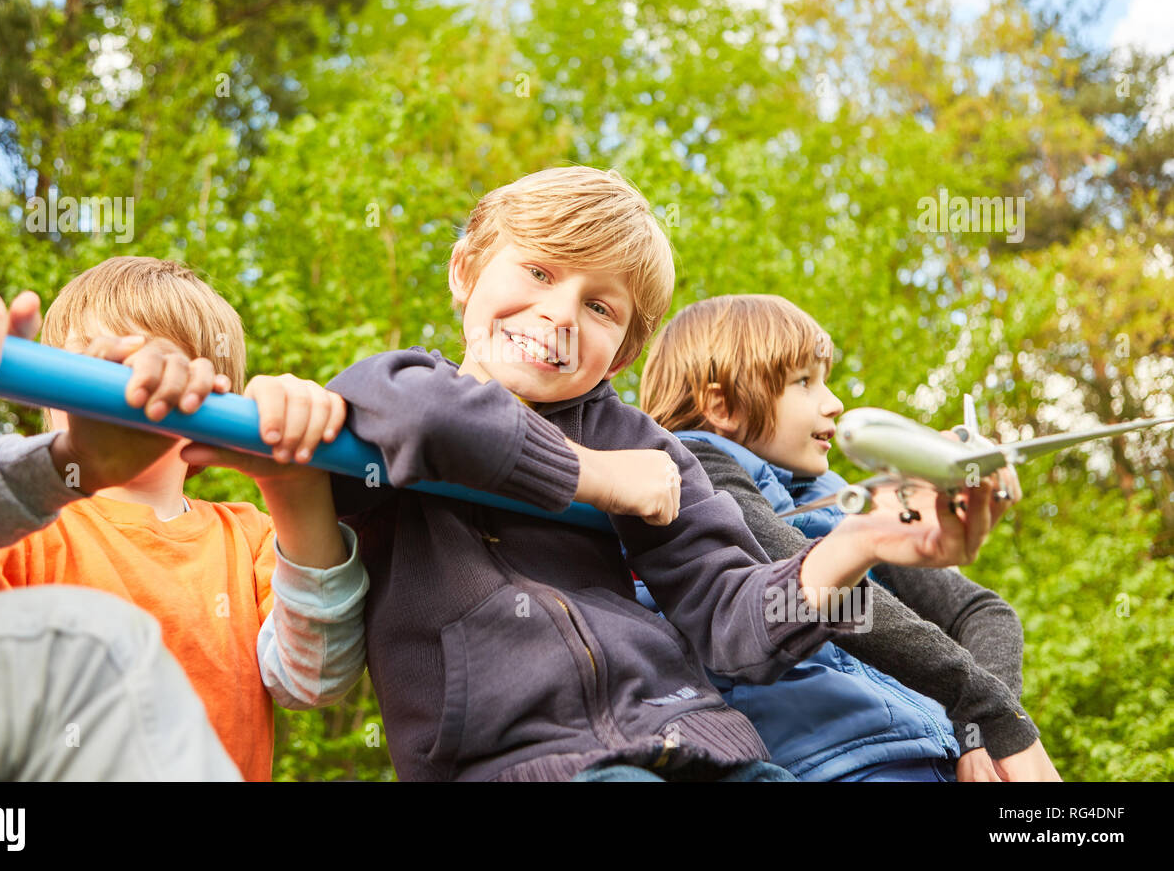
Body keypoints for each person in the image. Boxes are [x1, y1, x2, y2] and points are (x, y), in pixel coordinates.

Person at [321, 166, 1009, 782]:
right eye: (539, 271)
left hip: (709, 744)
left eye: (600, 307)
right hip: (521, 760)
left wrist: (855, 544)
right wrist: (590, 477)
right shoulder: (401, 386)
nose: (560, 315)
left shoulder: (648, 449)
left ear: (621, 355)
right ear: (465, 269)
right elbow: (423, 421)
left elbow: (733, 618)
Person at [0, 260, 367, 782]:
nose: (124, 384)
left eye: (160, 366)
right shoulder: (14, 533)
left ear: (215, 397)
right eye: (95, 364)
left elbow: (313, 679)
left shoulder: (249, 537)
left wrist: (296, 489)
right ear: (50, 394)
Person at [639, 293, 1061, 781]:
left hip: (929, 753)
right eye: (804, 382)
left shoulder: (831, 492)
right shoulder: (696, 476)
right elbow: (835, 598)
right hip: (833, 766)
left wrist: (978, 734)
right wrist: (994, 713)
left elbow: (979, 610)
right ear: (722, 405)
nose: (834, 403)